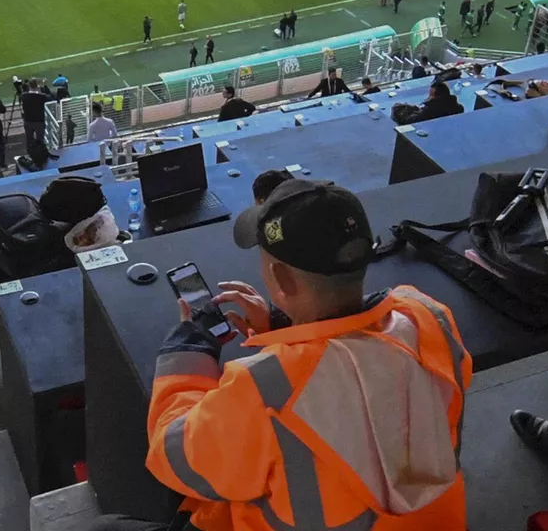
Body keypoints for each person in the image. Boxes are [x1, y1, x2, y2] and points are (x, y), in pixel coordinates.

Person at [130, 179, 469, 531]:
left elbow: (175, 455)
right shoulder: (429, 316)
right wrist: (284, 328)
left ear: (279, 278)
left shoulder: (266, 386)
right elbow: (355, 375)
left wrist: (187, 349)